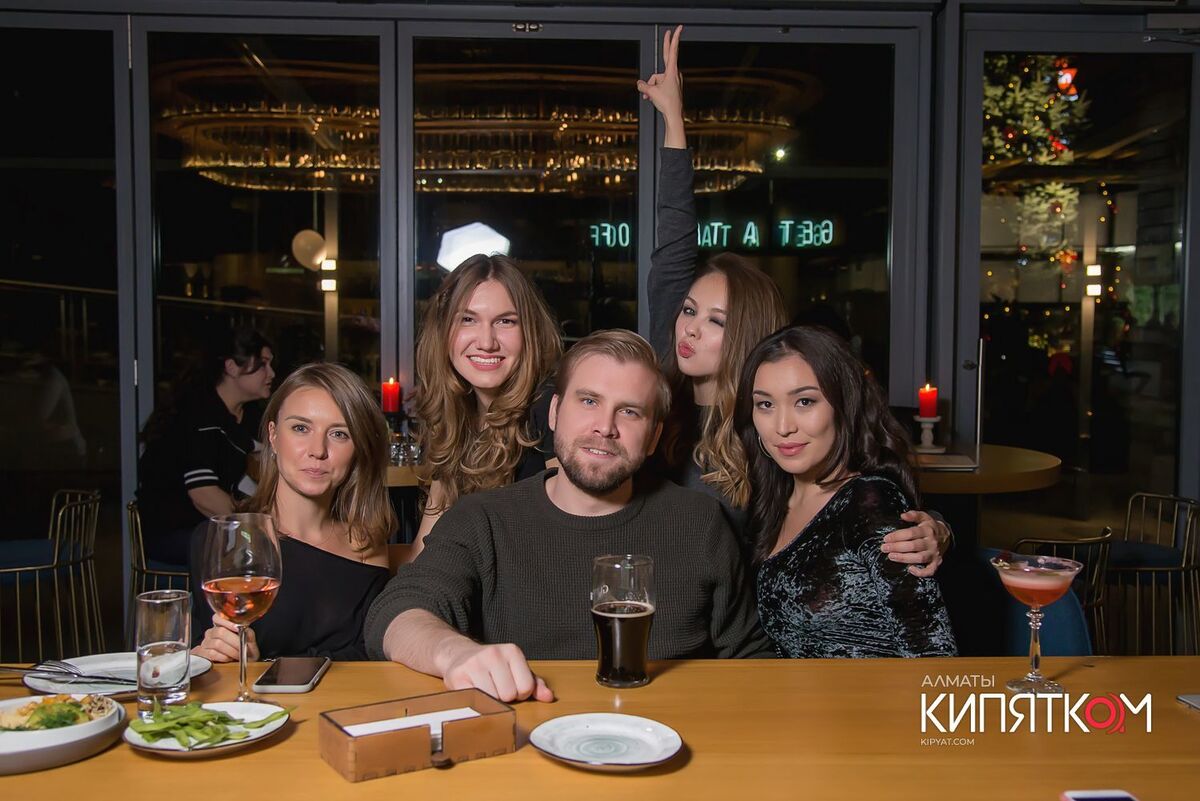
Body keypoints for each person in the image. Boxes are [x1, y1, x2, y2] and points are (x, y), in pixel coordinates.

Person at [638, 25, 949, 575]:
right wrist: (674, 121)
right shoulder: (664, 383)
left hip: (742, 612)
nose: (690, 328)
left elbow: (862, 479)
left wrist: (934, 527)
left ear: (746, 334)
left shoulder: (767, 421)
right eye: (688, 311)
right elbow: (673, 242)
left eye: (716, 321)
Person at [366, 330, 772, 702]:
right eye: (589, 401)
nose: (605, 427)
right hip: (526, 744)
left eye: (630, 412)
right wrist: (453, 652)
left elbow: (751, 656)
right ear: (555, 412)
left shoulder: (699, 523)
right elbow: (397, 612)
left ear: (653, 437)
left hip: (671, 739)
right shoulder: (483, 520)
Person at [735, 326, 957, 658]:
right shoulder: (771, 502)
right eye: (765, 404)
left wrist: (941, 530)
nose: (782, 427)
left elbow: (934, 657)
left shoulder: (870, 504)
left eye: (805, 401)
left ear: (844, 404)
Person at [192, 362, 396, 662]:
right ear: (273, 436)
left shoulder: (367, 543)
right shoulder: (226, 542)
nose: (318, 450)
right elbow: (205, 655)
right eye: (301, 428)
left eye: (339, 434)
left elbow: (373, 652)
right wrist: (214, 653)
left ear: (358, 449)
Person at [411, 254, 562, 555]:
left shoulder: (551, 408)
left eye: (505, 321)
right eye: (467, 319)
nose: (486, 342)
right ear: (443, 330)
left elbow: (567, 542)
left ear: (530, 331)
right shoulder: (456, 416)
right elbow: (425, 550)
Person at [136, 326, 274, 565]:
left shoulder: (244, 416)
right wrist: (258, 527)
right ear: (232, 367)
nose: (271, 373)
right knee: (262, 551)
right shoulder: (199, 416)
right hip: (176, 531)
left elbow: (252, 470)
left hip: (210, 527)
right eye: (263, 364)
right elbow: (204, 495)